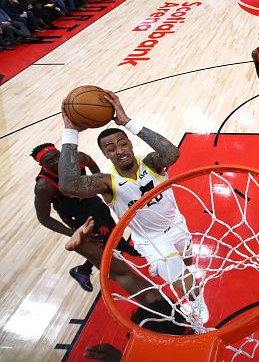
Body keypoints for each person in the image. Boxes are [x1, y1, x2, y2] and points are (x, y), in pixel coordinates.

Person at [58, 91, 208, 323]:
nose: (119, 150)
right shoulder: (106, 182)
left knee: (188, 261)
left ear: (129, 143)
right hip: (150, 239)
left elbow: (172, 153)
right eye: (111, 148)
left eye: (122, 143)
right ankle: (194, 299)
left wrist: (127, 121)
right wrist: (71, 132)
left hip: (177, 224)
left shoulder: (150, 162)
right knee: (179, 274)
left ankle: (169, 265)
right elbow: (68, 184)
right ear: (105, 154)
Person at [32, 142, 138, 292]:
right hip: (76, 215)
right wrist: (73, 234)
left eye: (57, 156)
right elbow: (44, 218)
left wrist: (100, 183)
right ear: (41, 164)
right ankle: (83, 270)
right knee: (99, 243)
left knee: (112, 226)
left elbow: (91, 162)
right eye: (49, 161)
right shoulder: (44, 186)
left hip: (91, 200)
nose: (56, 161)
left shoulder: (76, 158)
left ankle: (122, 246)